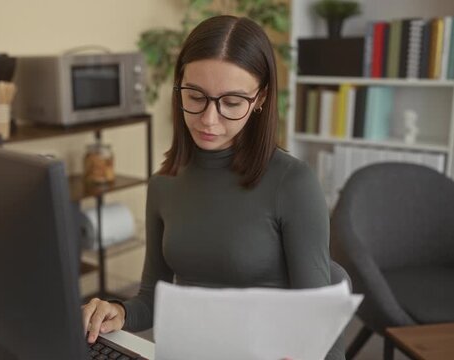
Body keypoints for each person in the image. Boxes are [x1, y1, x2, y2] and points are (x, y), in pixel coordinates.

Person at [82, 15, 344, 360]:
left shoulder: (292, 183)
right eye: (195, 96)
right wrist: (120, 311)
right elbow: (151, 298)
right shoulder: (165, 183)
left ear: (260, 98)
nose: (209, 119)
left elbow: (321, 332)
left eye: (231, 103)